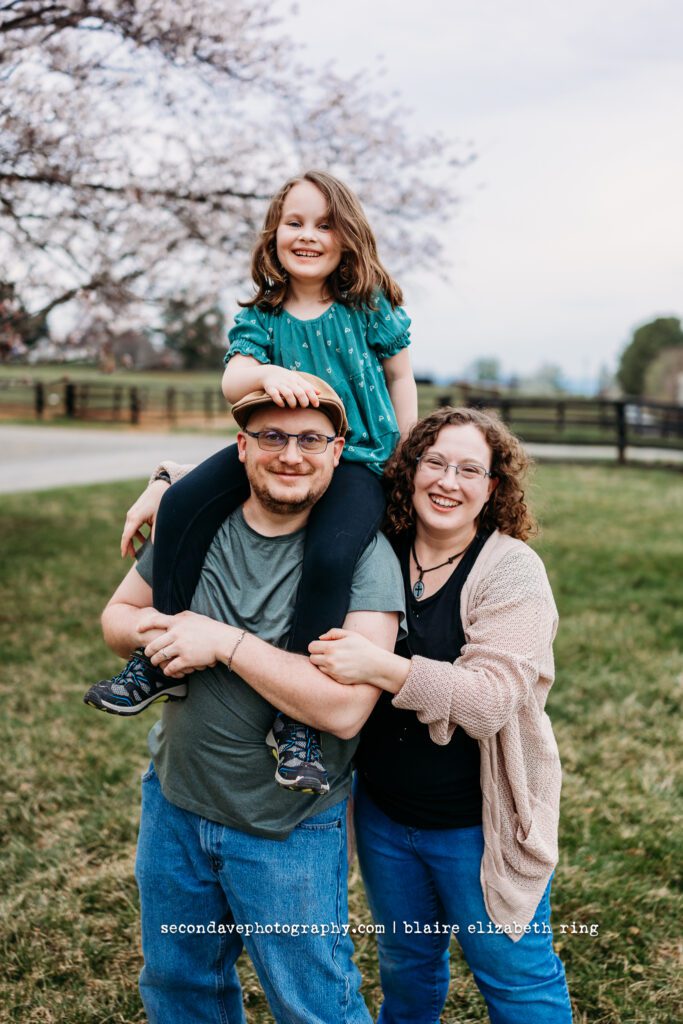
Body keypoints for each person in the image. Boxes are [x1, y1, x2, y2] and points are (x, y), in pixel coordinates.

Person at [85, 168, 417, 795]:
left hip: (357, 459)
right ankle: (158, 659)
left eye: (324, 224)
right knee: (181, 501)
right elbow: (233, 377)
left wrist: (407, 453)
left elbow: (400, 378)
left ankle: (296, 724)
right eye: (295, 222)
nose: (308, 235)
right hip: (276, 443)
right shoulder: (263, 316)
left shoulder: (366, 308)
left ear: (347, 237)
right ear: (274, 234)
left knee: (330, 554)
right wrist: (264, 375)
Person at [100, 381, 405, 1023]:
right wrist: (170, 631)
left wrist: (224, 643)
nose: (291, 454)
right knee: (179, 987)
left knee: (314, 1005)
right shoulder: (195, 527)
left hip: (286, 824)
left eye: (310, 440)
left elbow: (345, 710)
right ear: (241, 447)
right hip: (176, 804)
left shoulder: (366, 557)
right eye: (271, 436)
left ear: (336, 451)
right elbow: (116, 618)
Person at [308, 406, 573, 1024]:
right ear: (409, 469)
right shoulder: (377, 545)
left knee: (515, 981)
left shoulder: (511, 570)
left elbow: (488, 702)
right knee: (406, 968)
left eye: (469, 469)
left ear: (493, 487)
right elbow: (286, 473)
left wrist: (381, 667)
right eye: (435, 462)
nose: (448, 482)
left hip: (478, 826)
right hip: (384, 817)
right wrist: (165, 481)